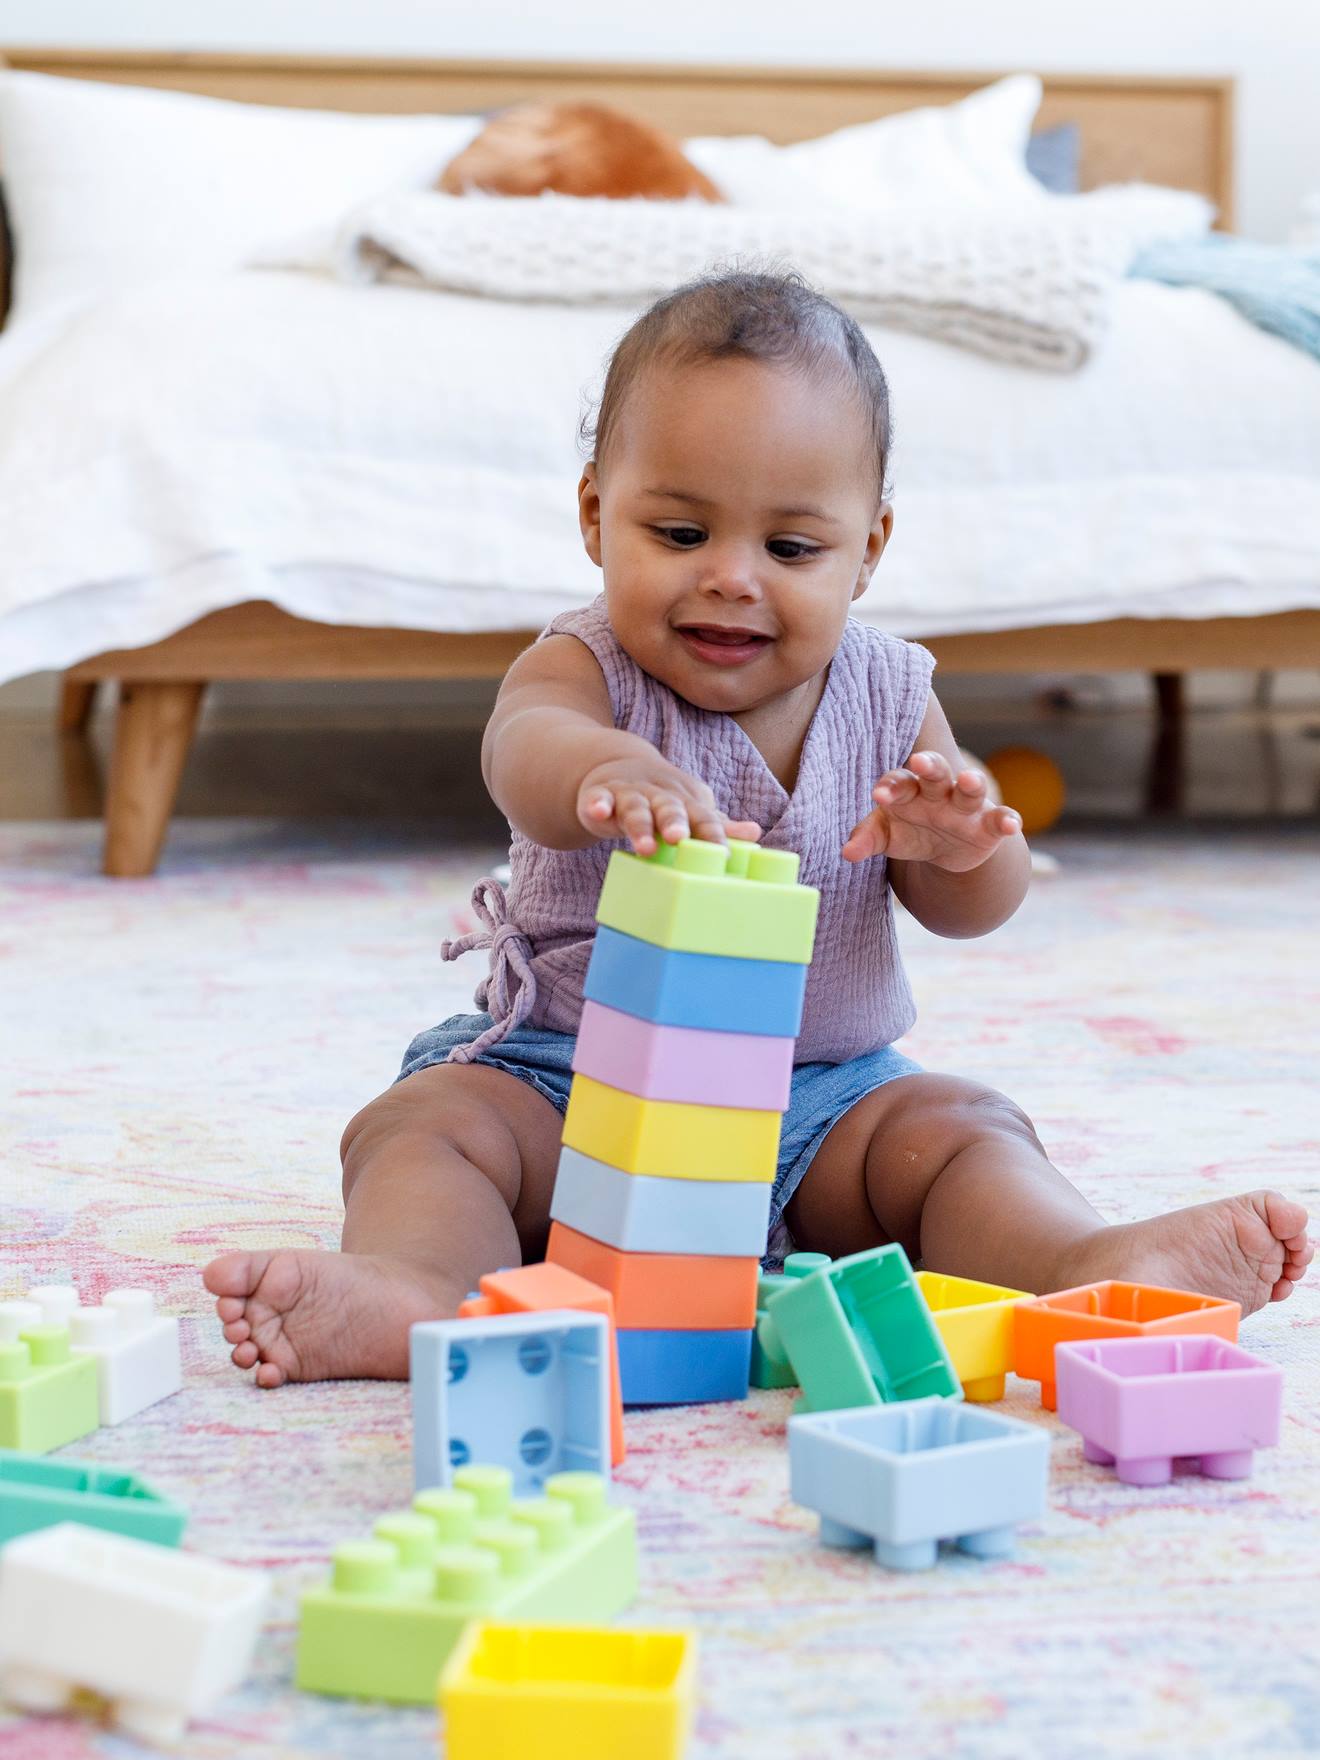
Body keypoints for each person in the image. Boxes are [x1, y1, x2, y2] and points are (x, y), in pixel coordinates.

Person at [204, 271, 1311, 1386]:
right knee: (425, 1125)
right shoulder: (584, 669)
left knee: (961, 1127)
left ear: (868, 549)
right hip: (568, 1089)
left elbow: (973, 906)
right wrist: (606, 767)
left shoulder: (889, 692)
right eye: (681, 531)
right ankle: (420, 1285)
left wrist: (965, 846)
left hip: (821, 1104)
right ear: (596, 514)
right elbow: (522, 747)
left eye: (791, 550)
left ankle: (1081, 1262)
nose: (731, 578)